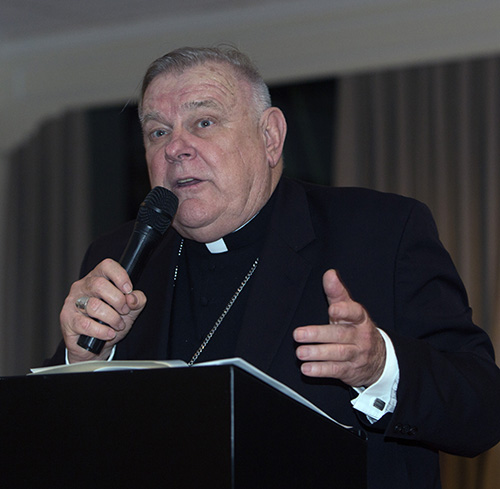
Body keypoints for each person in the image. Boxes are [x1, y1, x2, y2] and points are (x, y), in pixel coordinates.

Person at [48, 46, 500, 488]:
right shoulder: (118, 259)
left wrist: (380, 367)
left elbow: (484, 409)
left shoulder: (381, 232)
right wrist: (84, 359)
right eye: (157, 132)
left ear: (270, 136)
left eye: (203, 122)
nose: (176, 149)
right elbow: (56, 447)